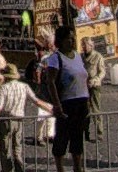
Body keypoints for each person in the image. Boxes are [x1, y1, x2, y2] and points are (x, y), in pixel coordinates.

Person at [0, 63, 53, 172]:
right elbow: (37, 101)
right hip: (19, 120)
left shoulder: (3, 88)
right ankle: (20, 168)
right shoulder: (24, 86)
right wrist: (51, 110)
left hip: (5, 120)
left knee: (5, 149)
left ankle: (7, 170)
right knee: (17, 148)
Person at [44, 24, 90, 172]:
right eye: (68, 39)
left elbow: (83, 77)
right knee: (62, 137)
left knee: (77, 137)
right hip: (66, 102)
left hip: (81, 101)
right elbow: (50, 82)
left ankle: (78, 167)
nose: (72, 41)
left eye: (73, 38)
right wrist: (57, 105)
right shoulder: (56, 58)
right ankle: (60, 168)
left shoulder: (77, 56)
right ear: (61, 41)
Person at [80, 38, 105, 141]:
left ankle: (99, 133)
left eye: (86, 46)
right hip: (83, 86)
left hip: (94, 86)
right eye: (83, 46)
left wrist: (95, 80)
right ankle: (86, 132)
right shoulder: (81, 57)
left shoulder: (98, 56)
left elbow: (102, 72)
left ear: (91, 46)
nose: (84, 48)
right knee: (84, 110)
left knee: (95, 109)